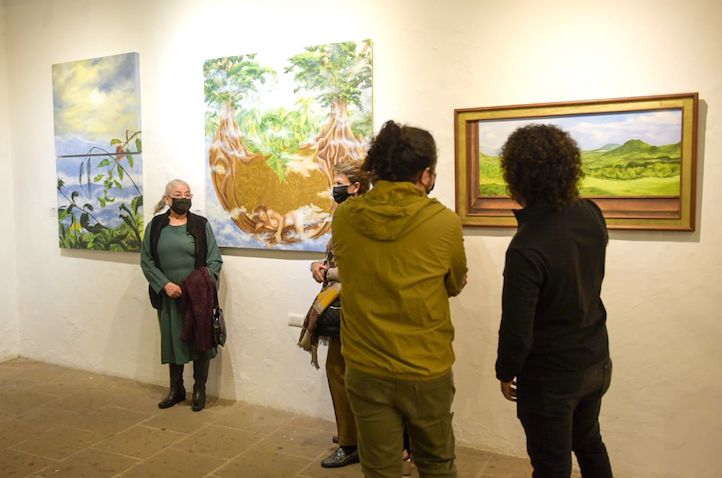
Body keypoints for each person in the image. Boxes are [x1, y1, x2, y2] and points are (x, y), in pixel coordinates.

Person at [332, 120, 468, 477]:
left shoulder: (344, 217)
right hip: (425, 364)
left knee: (379, 469)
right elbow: (455, 283)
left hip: (365, 365)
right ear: (425, 175)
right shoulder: (445, 223)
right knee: (437, 464)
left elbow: (350, 271)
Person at [494, 124, 613, 477]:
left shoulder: (527, 245)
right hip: (595, 359)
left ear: (516, 176)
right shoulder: (590, 213)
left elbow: (517, 328)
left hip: (552, 376)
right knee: (589, 443)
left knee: (552, 466)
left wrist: (505, 370)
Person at [299, 159, 371, 468]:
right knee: (346, 372)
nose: (335, 188)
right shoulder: (354, 213)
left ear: (355, 187)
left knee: (340, 372)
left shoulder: (354, 216)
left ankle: (350, 442)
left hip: (351, 306)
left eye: (339, 183)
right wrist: (320, 265)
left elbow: (357, 268)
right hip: (356, 305)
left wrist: (326, 272)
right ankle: (351, 432)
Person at [140, 179, 223, 412]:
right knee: (173, 340)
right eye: (178, 194)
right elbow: (146, 261)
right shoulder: (156, 226)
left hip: (197, 299)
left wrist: (197, 285)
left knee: (200, 341)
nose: (184, 198)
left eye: (187, 194)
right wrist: (164, 284)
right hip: (168, 298)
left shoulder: (201, 225)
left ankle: (199, 389)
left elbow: (214, 260)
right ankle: (176, 388)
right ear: (167, 199)